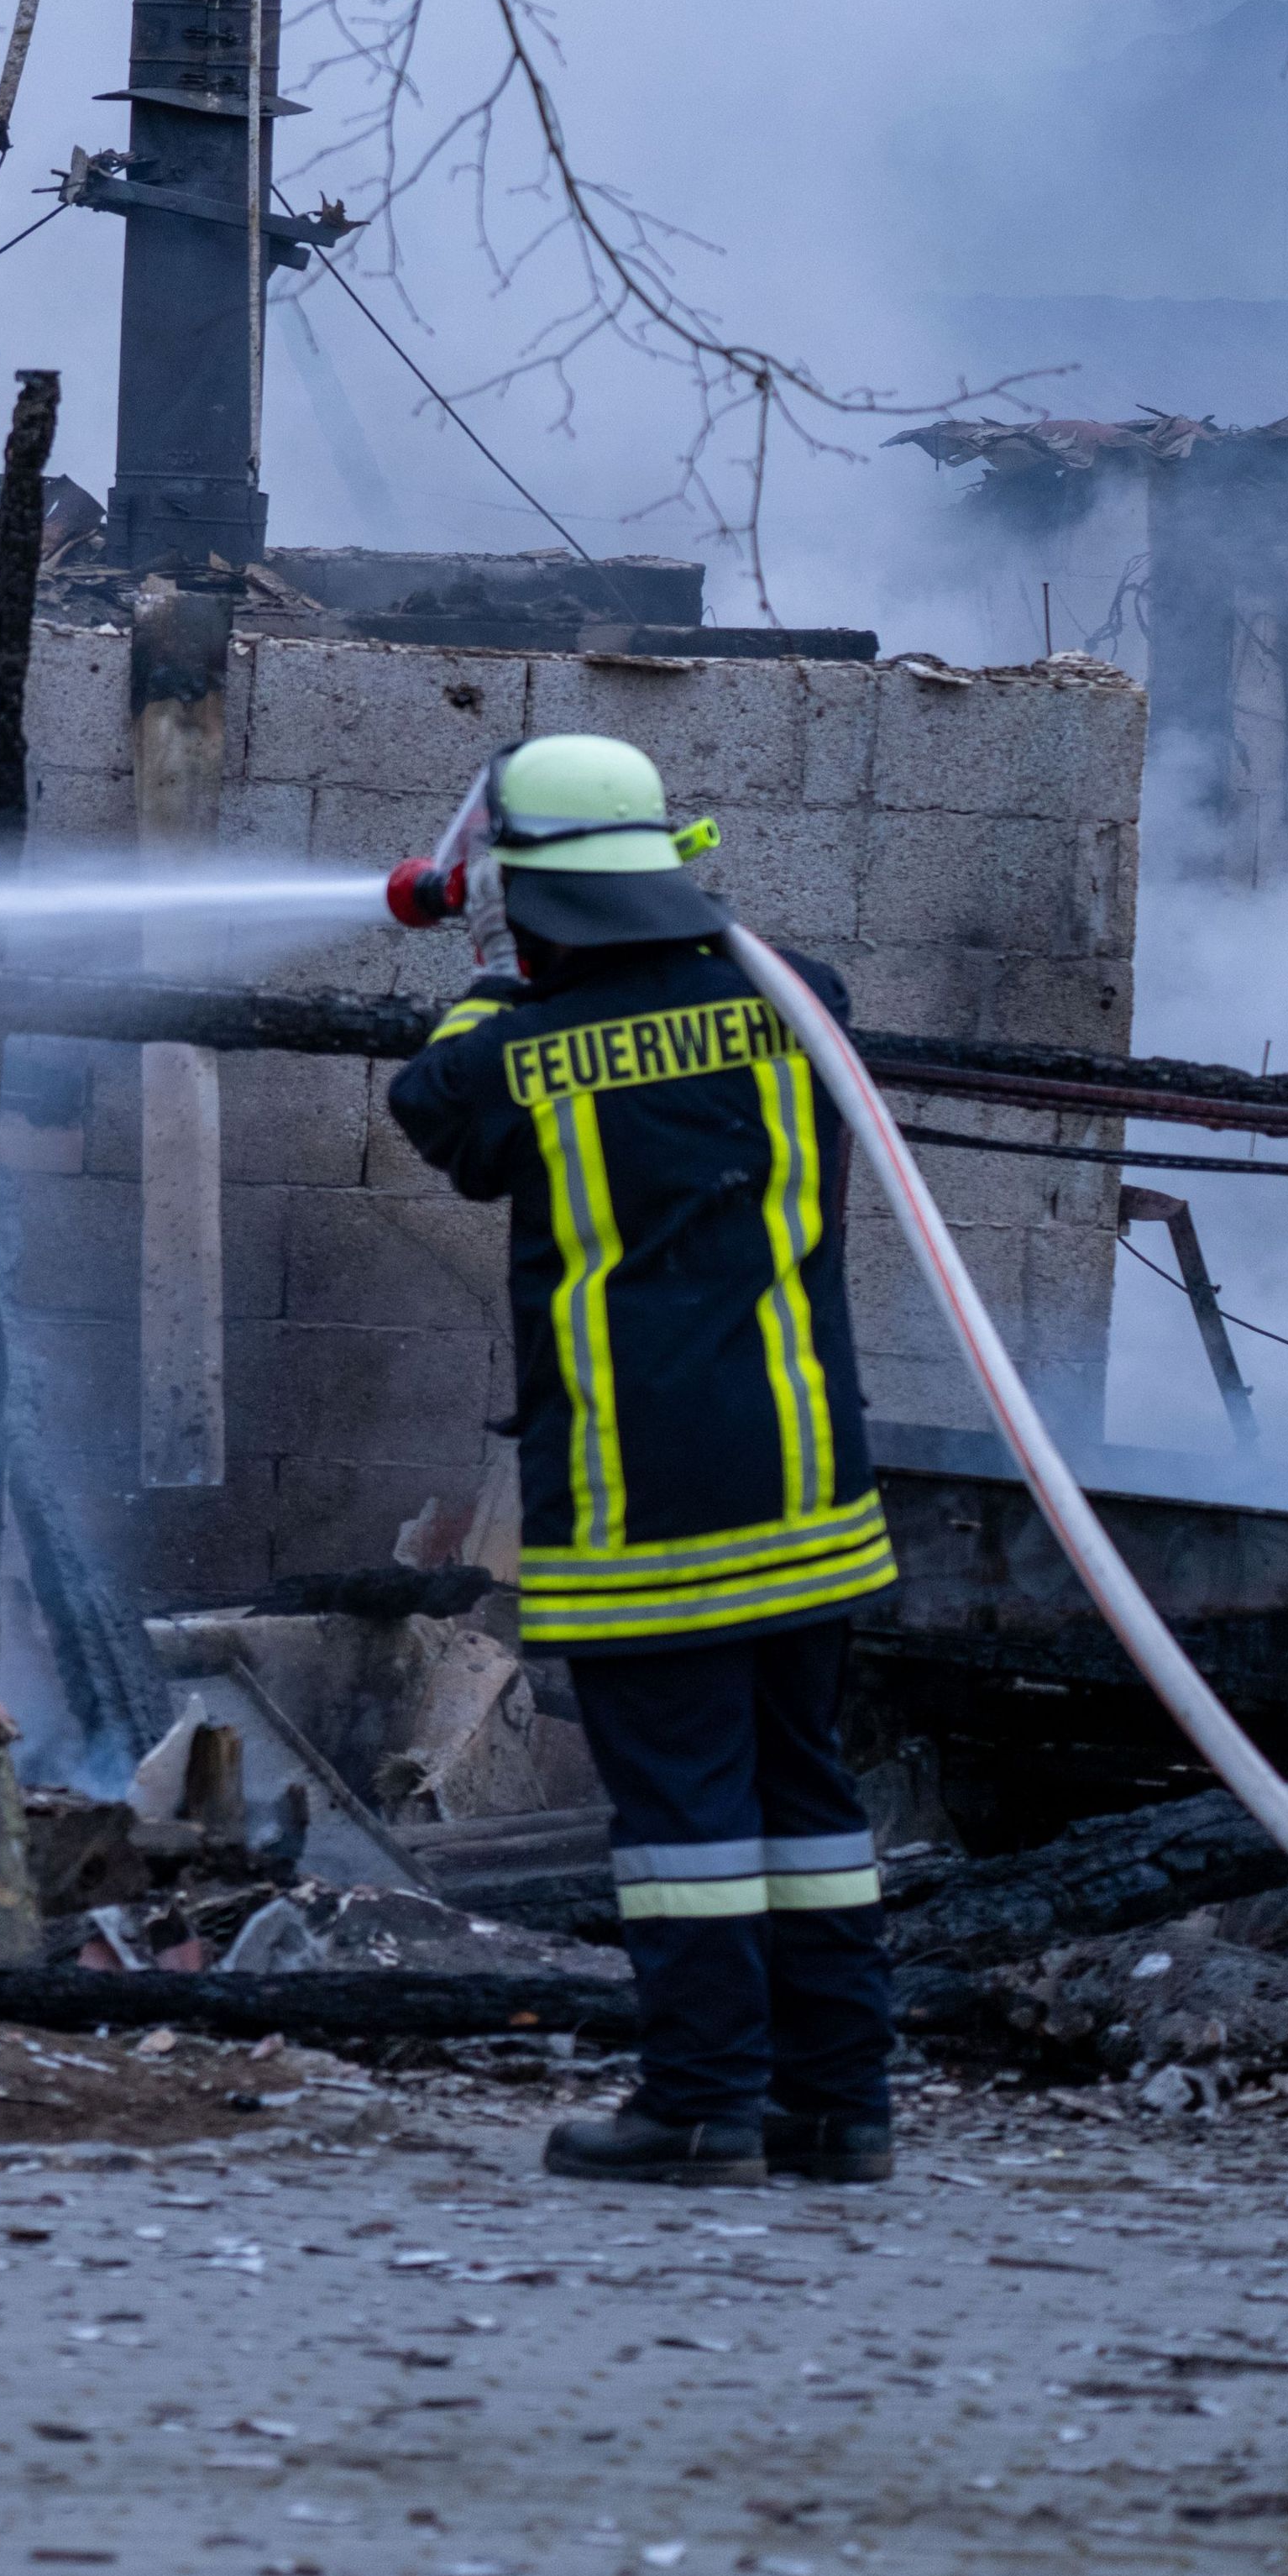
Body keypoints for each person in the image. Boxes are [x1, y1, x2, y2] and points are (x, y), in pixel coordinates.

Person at [385, 732, 895, 2188]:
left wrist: (487, 954)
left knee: (684, 1820)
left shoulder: (508, 1054)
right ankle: (837, 2107)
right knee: (808, 1806)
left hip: (642, 1501)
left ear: (531, 900)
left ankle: (698, 2107)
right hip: (810, 1486)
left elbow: (439, 1106)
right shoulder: (807, 1001)